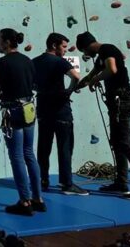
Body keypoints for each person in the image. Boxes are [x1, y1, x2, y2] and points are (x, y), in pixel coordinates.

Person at [76, 31, 130, 200]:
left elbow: (112, 69)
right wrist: (81, 84)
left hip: (122, 101)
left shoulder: (107, 49)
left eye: (84, 51)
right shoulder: (101, 56)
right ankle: (121, 182)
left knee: (125, 142)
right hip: (116, 103)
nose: (86, 54)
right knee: (116, 142)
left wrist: (95, 80)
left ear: (86, 46)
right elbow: (92, 74)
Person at [0, 28, 45, 216]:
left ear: (7, 42)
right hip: (29, 109)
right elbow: (32, 84)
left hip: (13, 111)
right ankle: (38, 199)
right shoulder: (27, 60)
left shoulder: (3, 63)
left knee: (16, 155)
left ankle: (24, 202)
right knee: (29, 153)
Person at [32, 33, 88, 195]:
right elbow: (76, 76)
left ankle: (43, 179)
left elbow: (31, 83)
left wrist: (41, 90)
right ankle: (66, 184)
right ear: (54, 45)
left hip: (43, 108)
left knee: (43, 147)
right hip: (60, 110)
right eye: (63, 46)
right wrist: (68, 91)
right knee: (65, 147)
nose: (65, 50)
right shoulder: (59, 61)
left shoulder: (35, 61)